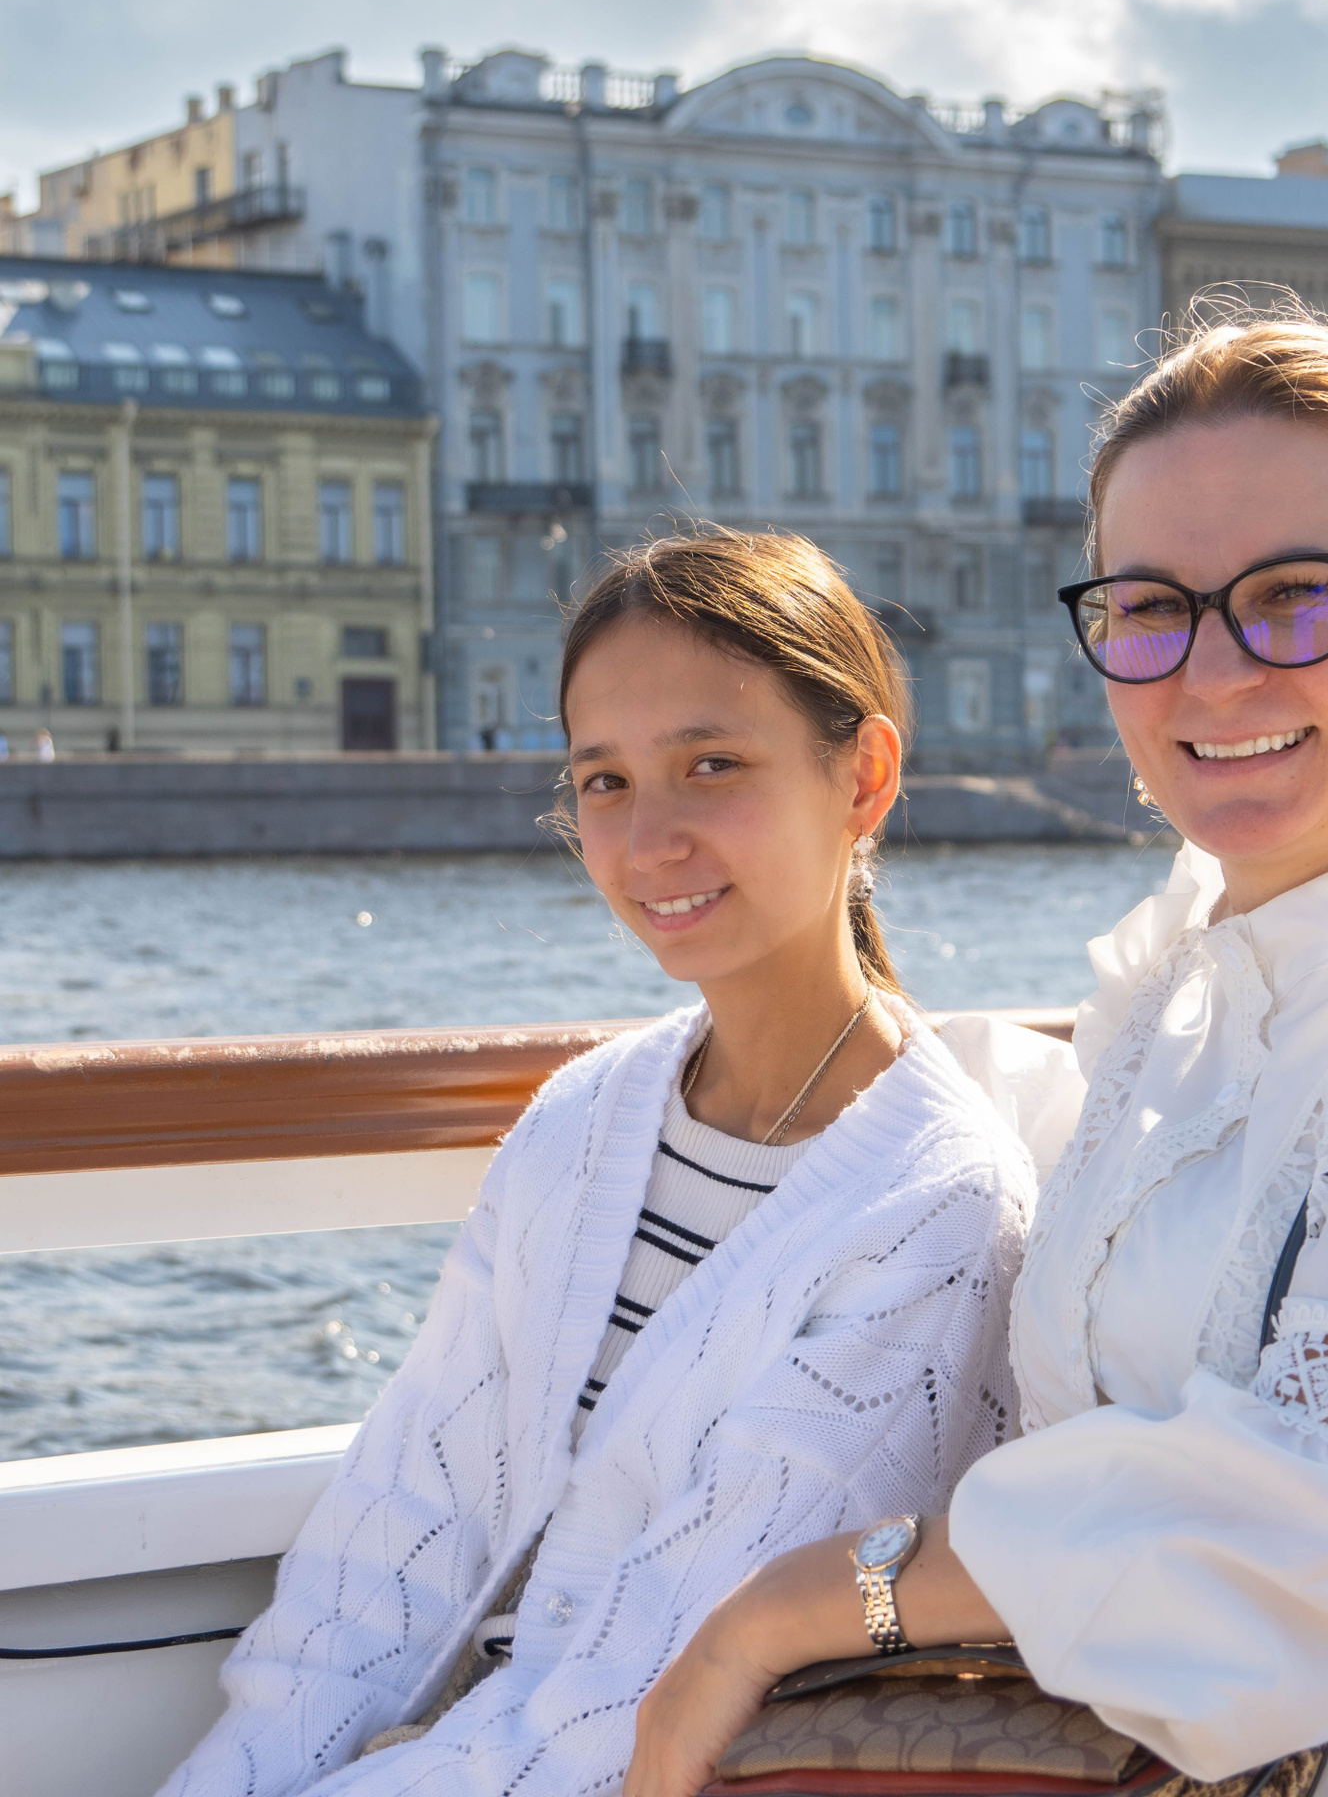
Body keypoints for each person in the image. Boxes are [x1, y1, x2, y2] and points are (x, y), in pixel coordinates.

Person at [624, 303, 1328, 1797]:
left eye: (1294, 599)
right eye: (1153, 609)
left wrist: (790, 1612)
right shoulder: (1171, 1001)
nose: (1215, 676)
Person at [160, 530, 1037, 1797]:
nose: (647, 839)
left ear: (864, 777)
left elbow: (646, 1697)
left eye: (711, 765)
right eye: (605, 781)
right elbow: (388, 1536)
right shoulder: (582, 1121)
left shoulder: (935, 1213)